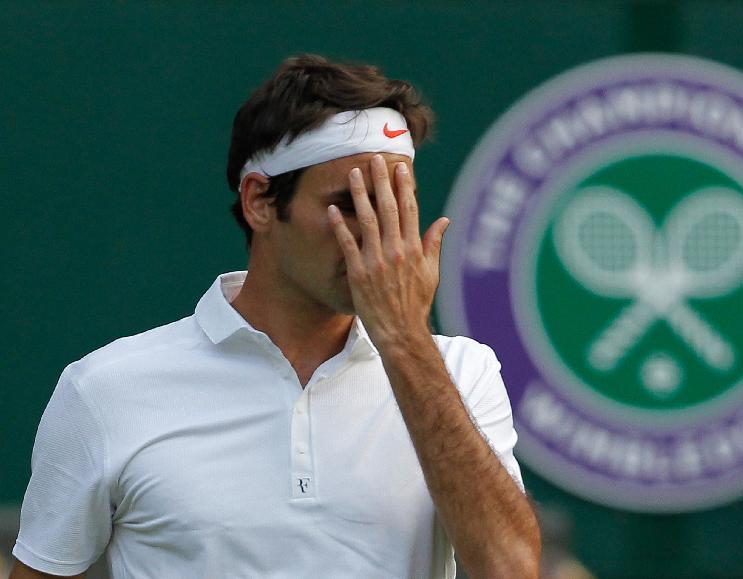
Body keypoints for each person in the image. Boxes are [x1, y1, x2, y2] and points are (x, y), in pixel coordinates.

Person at [11, 54, 541, 578]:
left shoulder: (463, 374)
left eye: (396, 204)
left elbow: (510, 570)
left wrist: (405, 340)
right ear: (260, 201)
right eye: (351, 204)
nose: (381, 236)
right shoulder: (106, 389)